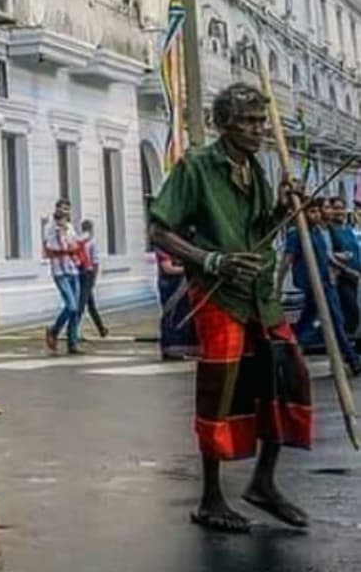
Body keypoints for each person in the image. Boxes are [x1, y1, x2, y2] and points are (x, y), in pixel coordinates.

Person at [149, 83, 312, 535]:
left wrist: (282, 208)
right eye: (248, 121)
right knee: (221, 390)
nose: (259, 129)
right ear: (224, 124)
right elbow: (161, 231)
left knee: (285, 379)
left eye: (261, 121)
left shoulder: (255, 170)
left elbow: (259, 228)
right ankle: (211, 497)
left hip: (260, 293)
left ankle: (263, 483)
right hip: (220, 295)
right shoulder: (197, 167)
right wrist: (210, 259)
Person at [285, 200, 360, 373]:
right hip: (313, 283)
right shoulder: (297, 234)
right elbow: (288, 259)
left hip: (327, 282)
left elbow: (327, 257)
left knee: (326, 320)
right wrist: (278, 283)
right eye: (312, 212)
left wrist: (346, 269)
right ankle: (352, 358)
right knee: (328, 320)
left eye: (318, 211)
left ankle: (294, 346)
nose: (317, 215)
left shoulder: (317, 232)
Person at [43, 198, 82, 356]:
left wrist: (71, 245)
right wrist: (60, 236)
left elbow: (75, 245)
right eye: (61, 208)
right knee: (71, 305)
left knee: (75, 309)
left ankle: (73, 342)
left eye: (67, 209)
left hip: (72, 269)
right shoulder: (50, 227)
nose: (64, 212)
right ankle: (54, 330)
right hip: (59, 271)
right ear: (57, 209)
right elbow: (49, 248)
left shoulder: (70, 227)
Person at [325, 195, 361, 341]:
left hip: (355, 278)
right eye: (336, 208)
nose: (339, 212)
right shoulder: (330, 230)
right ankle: (345, 344)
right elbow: (327, 253)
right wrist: (342, 259)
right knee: (352, 311)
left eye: (341, 208)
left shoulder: (347, 229)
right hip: (342, 277)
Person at [155, 248, 199, 361]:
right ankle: (171, 348)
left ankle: (185, 347)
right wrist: (190, 269)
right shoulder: (163, 247)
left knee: (184, 314)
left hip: (182, 284)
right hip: (171, 285)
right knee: (173, 315)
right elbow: (167, 268)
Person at [76, 219, 108, 339]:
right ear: (91, 229)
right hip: (88, 273)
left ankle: (101, 329)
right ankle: (74, 330)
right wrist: (94, 277)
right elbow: (95, 262)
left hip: (80, 272)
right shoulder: (92, 241)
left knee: (90, 303)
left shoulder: (78, 240)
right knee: (82, 302)